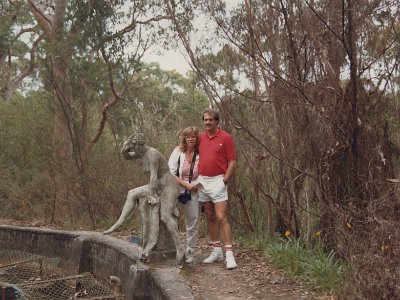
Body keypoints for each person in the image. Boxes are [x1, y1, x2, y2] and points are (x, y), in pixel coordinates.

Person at [198, 108, 238, 269]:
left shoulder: (225, 137)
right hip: (203, 181)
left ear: (216, 121)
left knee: (221, 216)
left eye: (211, 120)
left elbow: (233, 161)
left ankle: (229, 255)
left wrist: (225, 181)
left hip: (219, 181)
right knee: (210, 216)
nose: (208, 122)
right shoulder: (200, 137)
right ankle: (216, 251)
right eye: (205, 120)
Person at [168, 126, 202, 264]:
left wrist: (194, 185)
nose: (190, 139)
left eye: (193, 136)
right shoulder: (178, 151)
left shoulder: (200, 152)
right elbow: (169, 172)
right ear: (183, 138)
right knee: (167, 215)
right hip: (177, 187)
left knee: (192, 220)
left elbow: (205, 170)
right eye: (187, 136)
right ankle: (170, 246)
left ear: (197, 138)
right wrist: (185, 184)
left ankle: (190, 251)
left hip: (195, 188)